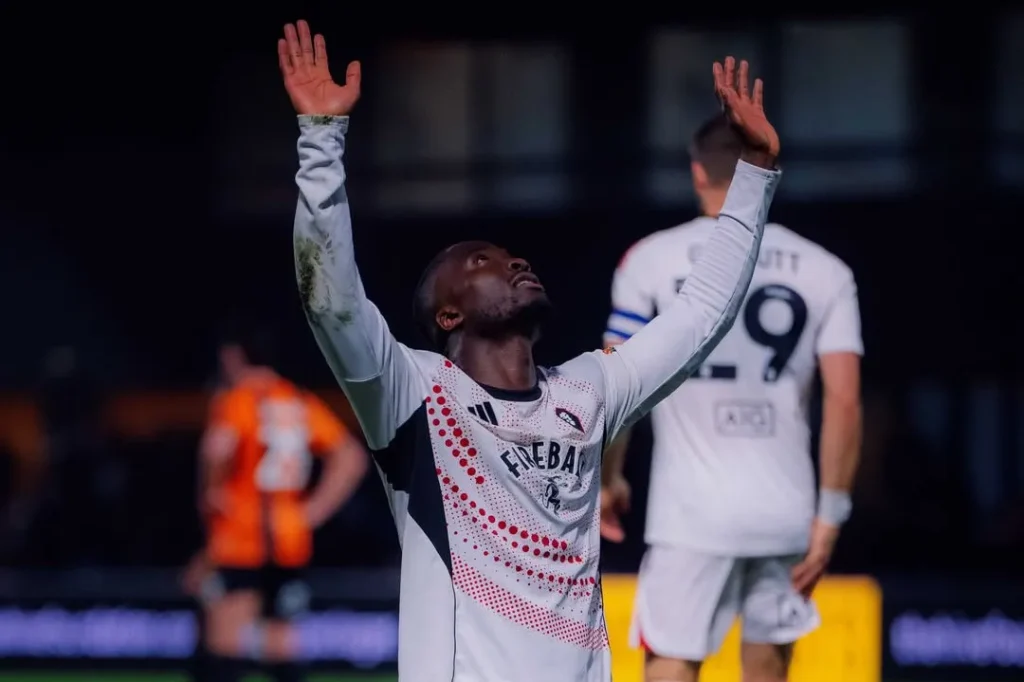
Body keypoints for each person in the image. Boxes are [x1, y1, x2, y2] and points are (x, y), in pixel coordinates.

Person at [279, 18, 781, 682]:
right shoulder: (414, 394)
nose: (514, 263)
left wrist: (755, 173)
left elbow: (698, 317)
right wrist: (321, 139)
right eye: (482, 261)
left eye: (514, 256)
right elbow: (333, 302)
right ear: (449, 313)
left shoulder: (587, 391)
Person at [600, 114, 864, 682]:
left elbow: (618, 379)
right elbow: (845, 401)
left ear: (698, 172)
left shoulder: (649, 258)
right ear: (766, 169)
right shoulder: (827, 270)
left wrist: (609, 477)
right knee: (767, 667)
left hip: (689, 514)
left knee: (671, 662)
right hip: (786, 510)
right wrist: (829, 518)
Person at [182, 324, 369, 682]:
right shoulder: (296, 401)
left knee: (222, 641)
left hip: (239, 540)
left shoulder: (235, 400)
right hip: (288, 539)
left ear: (233, 356)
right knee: (280, 642)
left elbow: (216, 452)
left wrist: (212, 492)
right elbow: (351, 456)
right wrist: (312, 511)